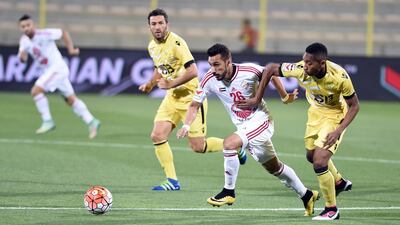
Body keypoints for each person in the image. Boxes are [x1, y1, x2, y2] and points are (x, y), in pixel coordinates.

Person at [177, 43, 319, 217]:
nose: (213, 69)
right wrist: (186, 125)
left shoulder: (249, 71)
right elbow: (194, 105)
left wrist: (284, 96)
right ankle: (307, 194)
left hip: (261, 121)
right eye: (210, 65)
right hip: (244, 126)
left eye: (217, 65)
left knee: (229, 144)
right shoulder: (209, 79)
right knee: (275, 168)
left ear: (228, 62)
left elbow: (271, 73)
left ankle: (228, 191)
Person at [237, 42, 360, 220]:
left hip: (334, 115)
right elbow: (271, 68)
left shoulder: (339, 76)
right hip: (315, 113)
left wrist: (339, 130)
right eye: (304, 61)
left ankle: (331, 209)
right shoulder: (300, 68)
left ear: (322, 63)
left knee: (319, 161)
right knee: (311, 156)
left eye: (310, 63)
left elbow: (354, 106)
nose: (305, 66)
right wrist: (257, 98)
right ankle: (339, 182)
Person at [139, 9, 247, 191]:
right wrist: (150, 83)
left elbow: (193, 71)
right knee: (157, 135)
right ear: (149, 27)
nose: (157, 27)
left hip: (191, 99)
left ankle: (236, 146)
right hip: (172, 99)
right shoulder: (152, 46)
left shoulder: (177, 43)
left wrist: (172, 83)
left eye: (160, 23)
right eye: (153, 24)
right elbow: (160, 67)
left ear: (167, 24)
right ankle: (172, 181)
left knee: (198, 146)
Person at [18, 14, 100, 139]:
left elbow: (62, 33)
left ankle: (47, 121)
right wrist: (22, 57)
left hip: (57, 69)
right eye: (23, 26)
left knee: (36, 91)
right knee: (70, 99)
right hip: (51, 72)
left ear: (33, 25)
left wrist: (71, 49)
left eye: (28, 25)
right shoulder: (24, 41)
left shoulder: (43, 34)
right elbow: (23, 58)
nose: (26, 28)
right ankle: (92, 121)